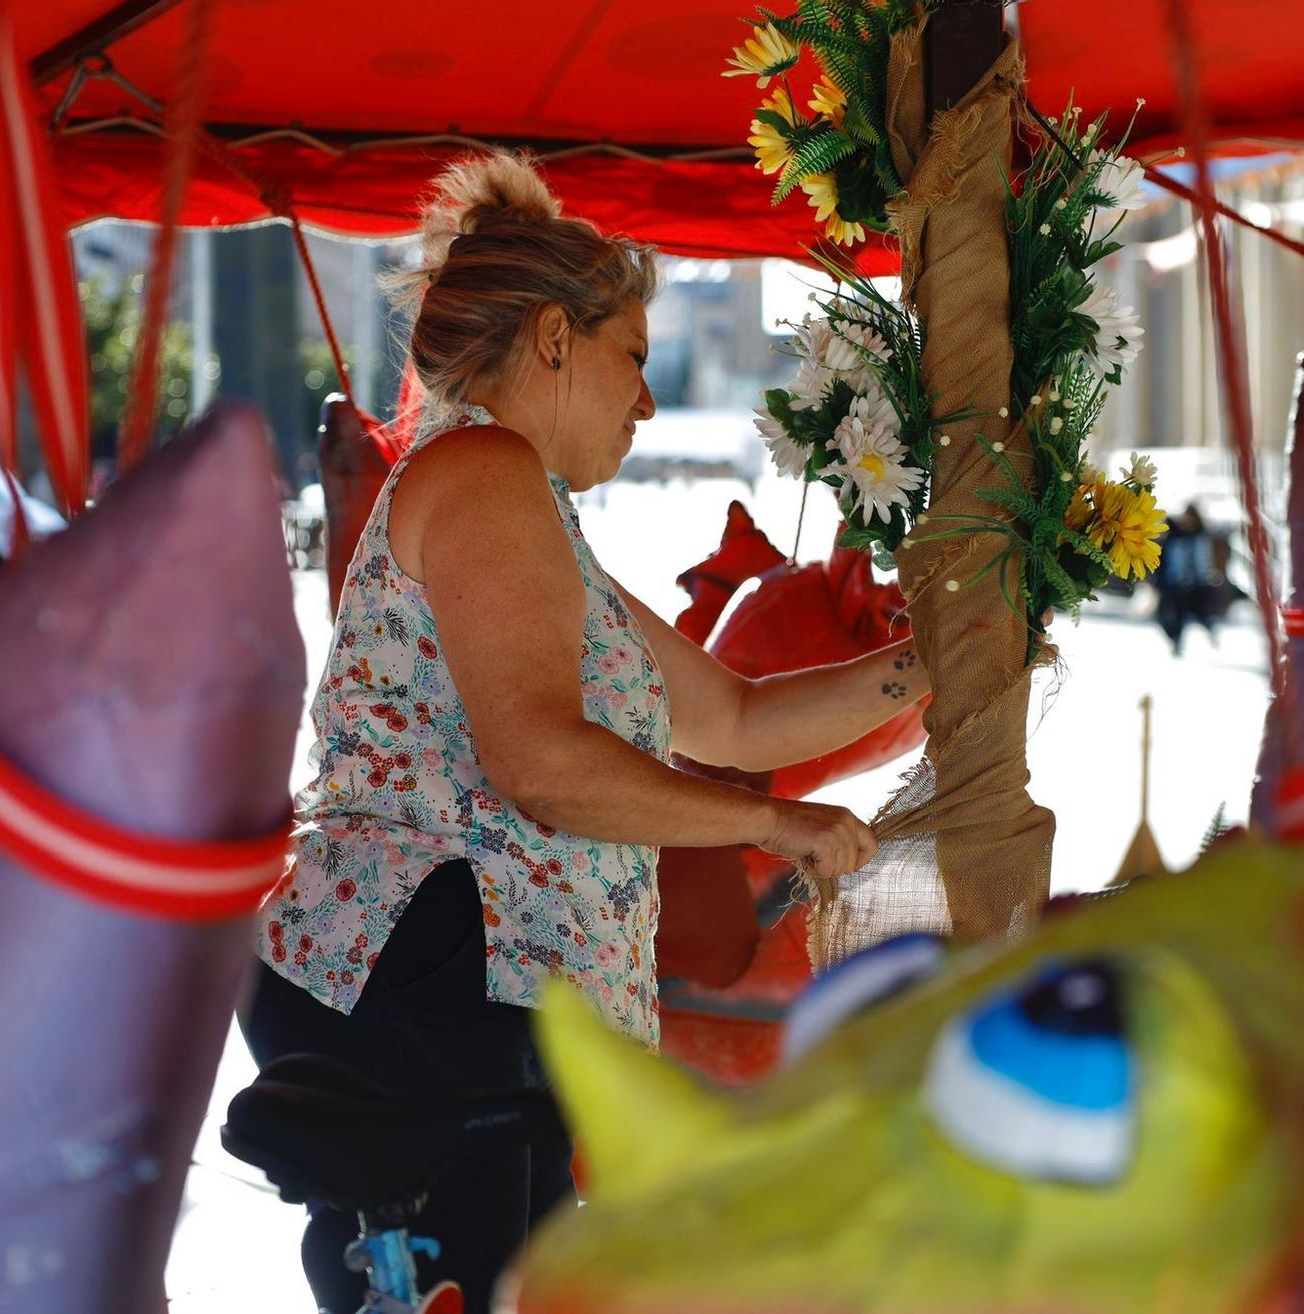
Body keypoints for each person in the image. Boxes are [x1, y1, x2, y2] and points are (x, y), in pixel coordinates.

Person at [241, 152, 921, 1314]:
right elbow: (543, 763)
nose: (645, 402)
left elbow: (737, 716)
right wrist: (777, 824)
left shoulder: (523, 508)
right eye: (633, 359)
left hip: (453, 985)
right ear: (553, 340)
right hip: (437, 975)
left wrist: (931, 665)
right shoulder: (486, 475)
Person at [1155, 502, 1214, 654]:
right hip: (1172, 583)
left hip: (1195, 585)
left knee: (1199, 614)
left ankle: (1209, 632)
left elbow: (1204, 560)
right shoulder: (1172, 536)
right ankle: (1175, 640)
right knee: (1167, 616)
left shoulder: (1201, 536)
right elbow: (1162, 561)